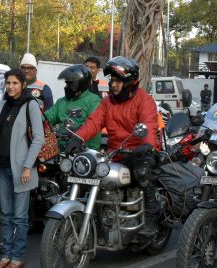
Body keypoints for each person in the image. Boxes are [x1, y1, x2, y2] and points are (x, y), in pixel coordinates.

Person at [68, 56, 161, 236]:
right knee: (90, 174)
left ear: (130, 82)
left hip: (140, 152)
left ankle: (151, 216)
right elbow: (93, 122)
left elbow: (149, 124)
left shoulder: (144, 100)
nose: (113, 85)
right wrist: (77, 138)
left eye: (118, 81)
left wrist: (147, 144)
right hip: (115, 153)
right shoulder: (107, 102)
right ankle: (98, 224)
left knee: (143, 173)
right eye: (112, 81)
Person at [0, 69, 45, 268]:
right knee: (6, 214)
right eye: (8, 83)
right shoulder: (1, 105)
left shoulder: (31, 105)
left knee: (20, 217)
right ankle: (6, 254)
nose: (10, 86)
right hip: (2, 167)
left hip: (22, 170)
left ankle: (17, 256)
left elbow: (39, 138)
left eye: (15, 83)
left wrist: (28, 165)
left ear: (23, 85)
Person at [44, 64, 101, 150]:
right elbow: (49, 116)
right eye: (66, 84)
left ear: (80, 85)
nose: (66, 87)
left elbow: (93, 126)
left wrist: (92, 151)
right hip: (58, 149)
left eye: (69, 84)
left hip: (80, 150)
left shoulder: (93, 100)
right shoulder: (61, 101)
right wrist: (37, 120)